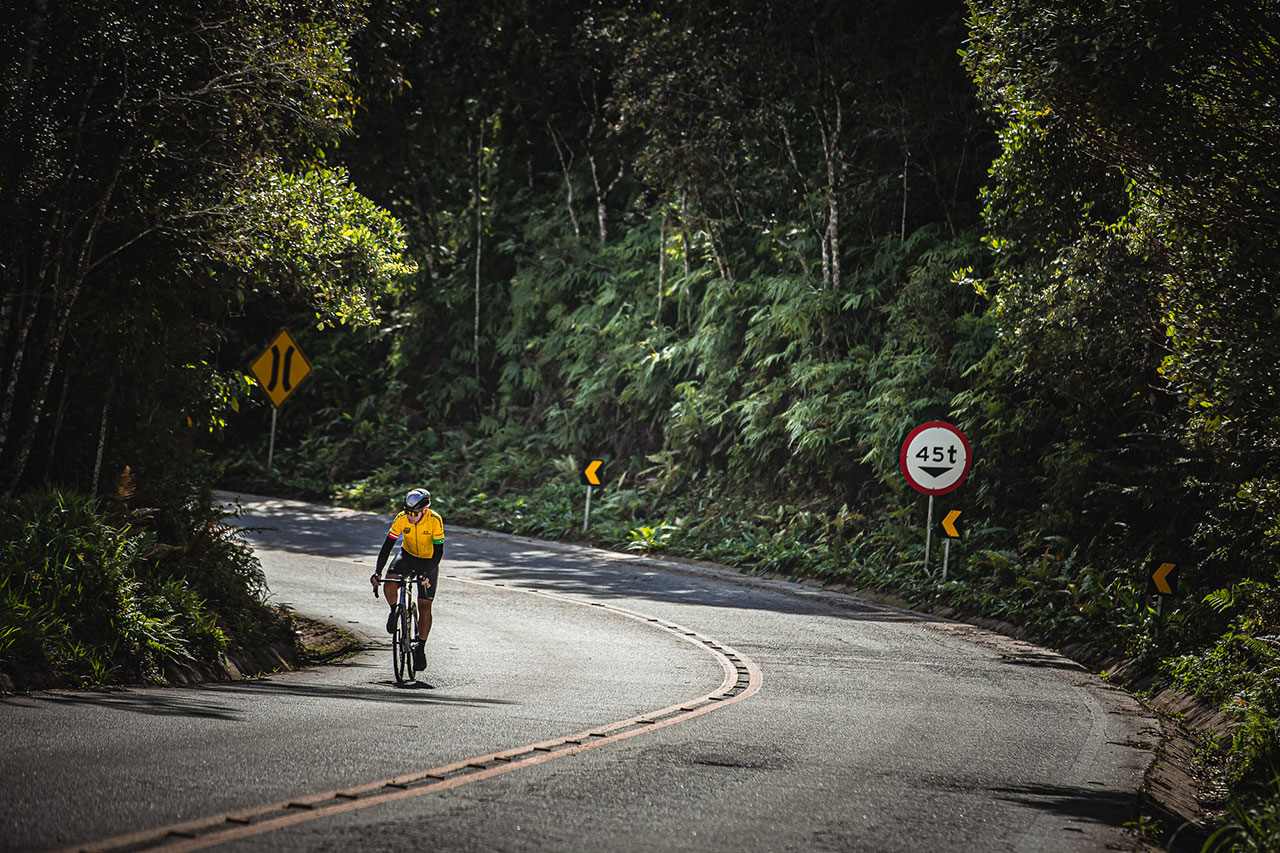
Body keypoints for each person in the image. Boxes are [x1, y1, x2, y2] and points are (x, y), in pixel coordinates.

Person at [370, 488, 444, 671]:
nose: (410, 516)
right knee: (390, 582)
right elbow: (387, 546)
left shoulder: (435, 520)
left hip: (428, 561)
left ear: (425, 510)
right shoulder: (401, 518)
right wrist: (377, 572)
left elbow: (438, 552)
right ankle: (395, 611)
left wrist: (425, 574)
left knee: (425, 605)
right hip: (407, 556)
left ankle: (421, 647)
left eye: (414, 513)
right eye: (408, 512)